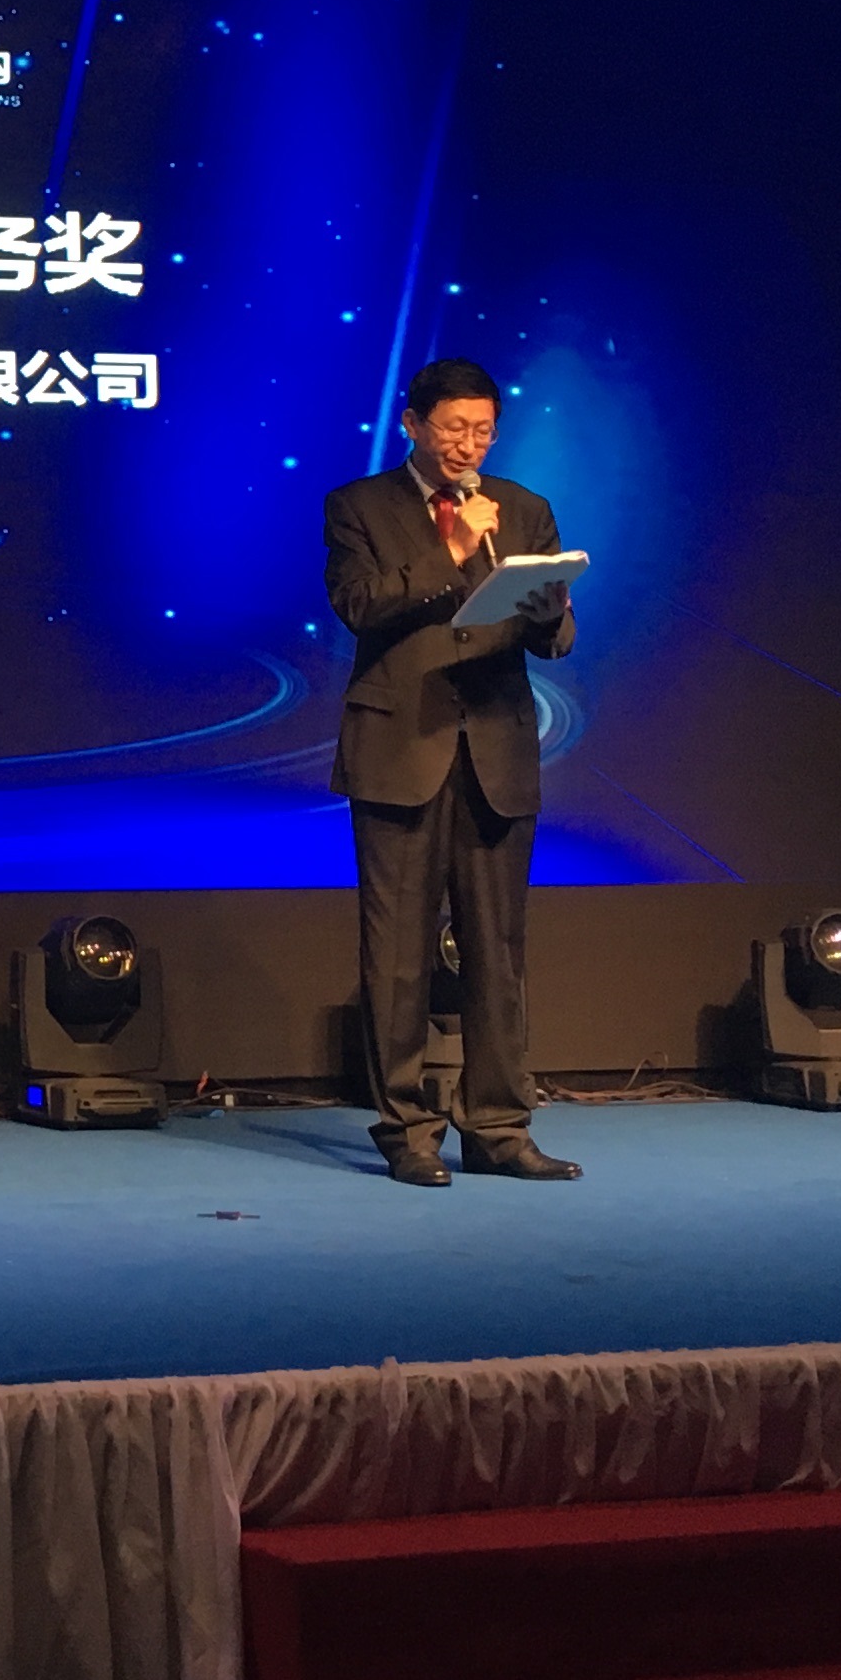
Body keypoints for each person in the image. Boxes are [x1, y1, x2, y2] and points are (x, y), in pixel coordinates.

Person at [324, 357, 580, 1188]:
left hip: (497, 750)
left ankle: (500, 1126)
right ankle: (407, 1128)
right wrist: (451, 552)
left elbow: (557, 640)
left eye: (483, 431)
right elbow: (359, 605)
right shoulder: (359, 505)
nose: (469, 445)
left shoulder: (523, 508)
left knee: (497, 952)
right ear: (412, 424)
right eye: (453, 429)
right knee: (397, 955)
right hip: (400, 748)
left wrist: (548, 608)